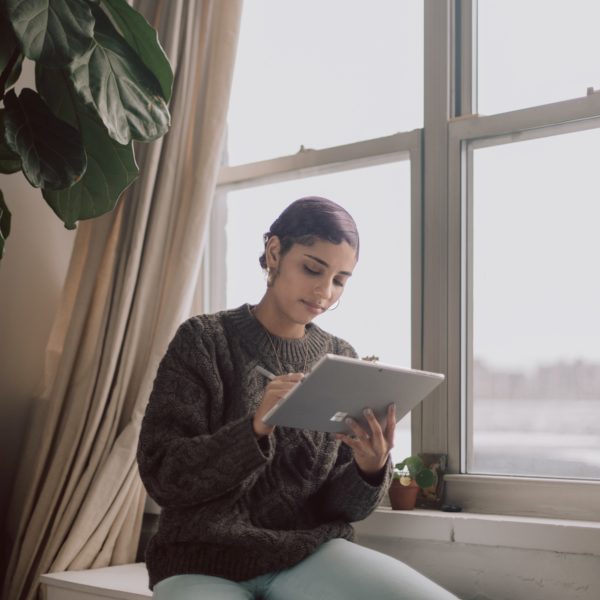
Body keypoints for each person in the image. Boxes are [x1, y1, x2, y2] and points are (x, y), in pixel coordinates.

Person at [137, 196, 459, 599]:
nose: (325, 291)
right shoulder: (204, 340)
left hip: (305, 555)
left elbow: (341, 510)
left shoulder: (340, 357)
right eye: (312, 268)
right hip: (200, 561)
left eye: (340, 280)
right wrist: (254, 429)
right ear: (274, 252)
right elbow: (163, 475)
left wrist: (370, 468)